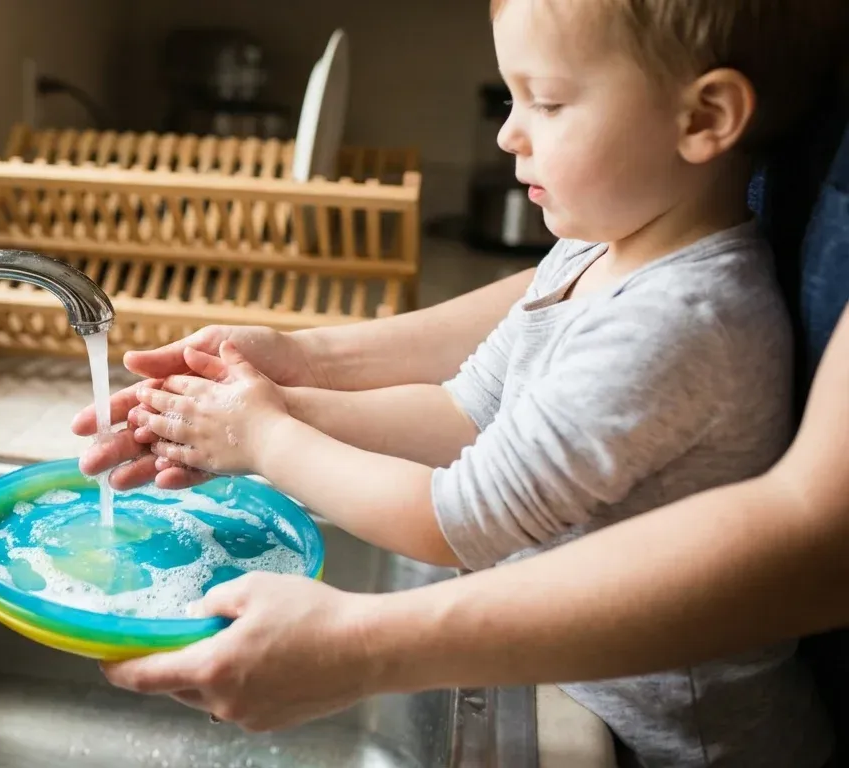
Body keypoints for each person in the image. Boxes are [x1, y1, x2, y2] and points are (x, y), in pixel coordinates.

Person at [68, 1, 849, 765]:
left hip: (685, 747)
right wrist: (262, 409)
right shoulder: (597, 257)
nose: (509, 132)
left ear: (704, 118)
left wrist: (266, 437)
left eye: (547, 101)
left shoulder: (680, 323)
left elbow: (453, 520)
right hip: (591, 696)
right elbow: (465, 412)